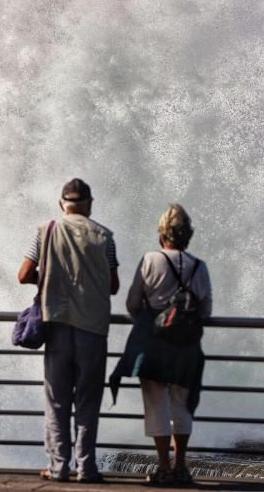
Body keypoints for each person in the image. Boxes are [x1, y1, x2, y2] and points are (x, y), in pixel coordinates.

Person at [18, 178, 119, 483]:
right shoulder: (105, 236)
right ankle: (86, 468)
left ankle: (59, 466)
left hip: (57, 325)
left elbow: (23, 274)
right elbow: (113, 286)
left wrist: (50, 277)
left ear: (62, 204)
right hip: (93, 329)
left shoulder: (45, 231)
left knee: (57, 400)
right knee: (88, 400)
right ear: (88, 204)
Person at [109, 204, 212, 486]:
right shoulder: (198, 267)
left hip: (154, 345)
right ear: (188, 236)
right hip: (187, 347)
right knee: (182, 405)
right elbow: (205, 311)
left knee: (157, 405)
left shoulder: (150, 261)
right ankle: (181, 466)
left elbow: (132, 303)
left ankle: (163, 467)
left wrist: (152, 314)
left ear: (162, 234)